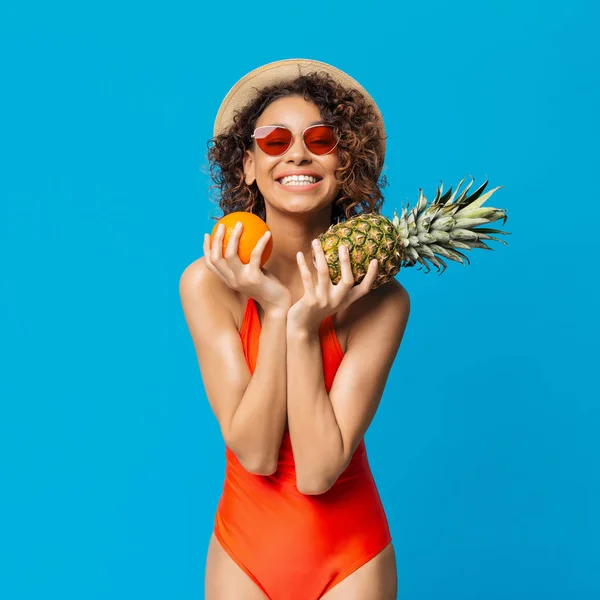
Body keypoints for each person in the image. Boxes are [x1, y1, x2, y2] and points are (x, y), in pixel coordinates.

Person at [179, 59, 411, 600]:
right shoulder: (207, 283)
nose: (297, 153)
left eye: (322, 139)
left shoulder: (383, 299)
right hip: (244, 550)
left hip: (351, 553)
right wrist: (279, 309)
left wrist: (303, 327)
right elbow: (256, 454)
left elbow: (318, 471)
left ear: (346, 165)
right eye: (275, 139)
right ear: (246, 166)